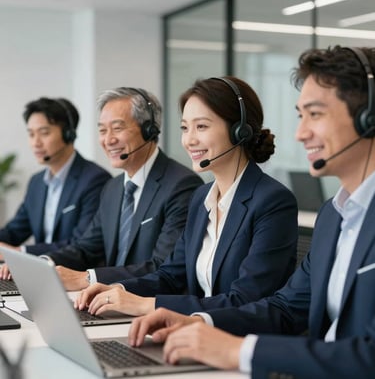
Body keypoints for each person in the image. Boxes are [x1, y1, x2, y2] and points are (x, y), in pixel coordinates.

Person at [127, 46, 375, 379]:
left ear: (368, 116)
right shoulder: (334, 216)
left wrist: (236, 350)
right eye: (300, 116)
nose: (300, 133)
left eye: (315, 114)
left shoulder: (276, 201)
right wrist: (198, 322)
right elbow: (286, 309)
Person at [75, 76, 298, 317]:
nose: (189, 140)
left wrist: (145, 305)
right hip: (191, 333)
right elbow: (170, 275)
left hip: (237, 342)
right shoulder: (202, 197)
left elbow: (245, 300)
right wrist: (115, 290)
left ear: (239, 131)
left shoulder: (272, 201)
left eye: (201, 126)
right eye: (184, 128)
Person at [30, 87, 203, 290]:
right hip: (107, 300)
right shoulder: (112, 188)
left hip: (148, 305)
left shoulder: (182, 185)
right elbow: (86, 249)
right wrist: (43, 264)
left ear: (149, 130)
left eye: (118, 128)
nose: (108, 140)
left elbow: (162, 267)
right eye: (103, 130)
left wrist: (88, 278)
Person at [0, 97, 111, 260]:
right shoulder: (37, 182)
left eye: (44, 133)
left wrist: (20, 253)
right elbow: (14, 231)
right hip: (39, 273)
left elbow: (80, 244)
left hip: (74, 277)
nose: (35, 143)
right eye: (31, 134)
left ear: (68, 134)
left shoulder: (95, 180)